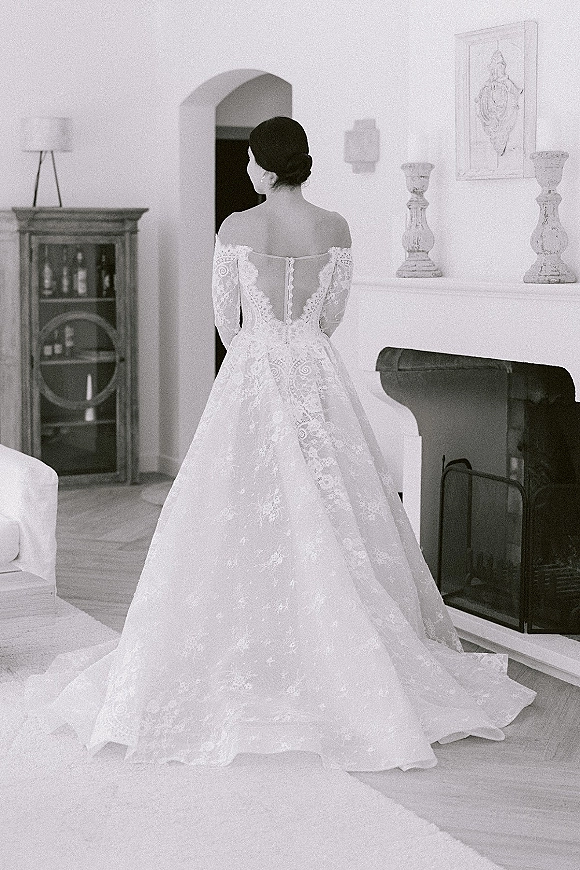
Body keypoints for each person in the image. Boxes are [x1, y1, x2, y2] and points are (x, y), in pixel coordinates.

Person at [23, 116, 535, 772]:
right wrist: (301, 344)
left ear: (266, 168)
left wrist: (261, 351)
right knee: (334, 501)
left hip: (255, 369)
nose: (246, 172)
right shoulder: (336, 227)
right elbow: (333, 314)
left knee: (240, 503)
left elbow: (225, 319)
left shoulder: (237, 227)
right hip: (315, 370)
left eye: (250, 163)